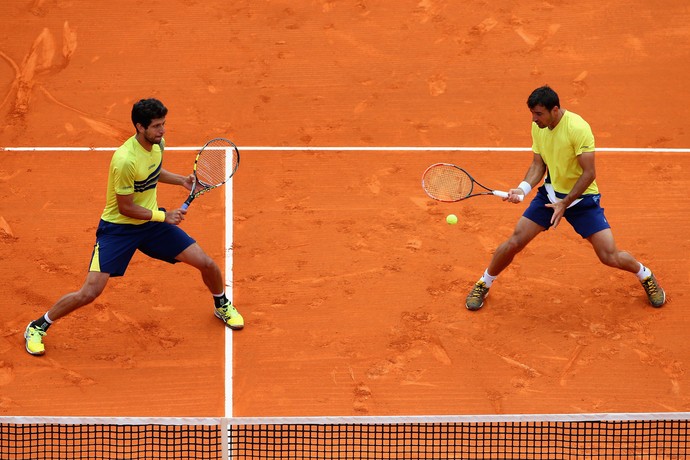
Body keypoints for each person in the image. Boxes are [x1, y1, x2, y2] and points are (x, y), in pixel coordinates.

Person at [24, 98, 243, 356]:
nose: (162, 131)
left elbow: (153, 172)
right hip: (120, 229)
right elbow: (126, 207)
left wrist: (182, 180)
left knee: (206, 263)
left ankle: (221, 305)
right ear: (140, 127)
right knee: (90, 292)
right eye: (157, 126)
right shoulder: (124, 160)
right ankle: (37, 326)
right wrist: (164, 217)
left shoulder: (157, 145)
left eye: (163, 124)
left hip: (150, 225)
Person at [465, 85, 666, 311]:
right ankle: (484, 282)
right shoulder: (539, 127)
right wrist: (522, 189)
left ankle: (645, 275)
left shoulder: (578, 128)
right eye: (532, 113)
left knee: (609, 255)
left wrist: (565, 203)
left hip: (581, 200)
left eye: (539, 114)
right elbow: (538, 163)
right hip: (551, 195)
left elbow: (589, 173)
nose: (534, 119)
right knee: (515, 241)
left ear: (555, 110)